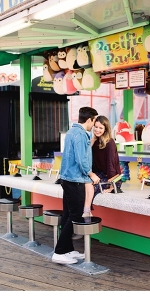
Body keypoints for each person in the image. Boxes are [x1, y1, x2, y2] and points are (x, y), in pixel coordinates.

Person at [51, 107, 100, 264]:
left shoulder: (72, 131)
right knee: (75, 215)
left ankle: (67, 250)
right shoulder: (80, 135)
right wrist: (91, 174)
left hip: (67, 179)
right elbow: (81, 160)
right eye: (94, 121)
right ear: (89, 120)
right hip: (75, 180)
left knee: (67, 215)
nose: (94, 124)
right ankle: (59, 252)